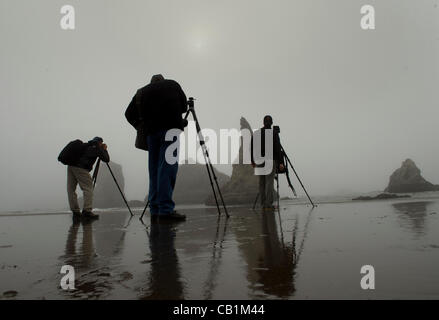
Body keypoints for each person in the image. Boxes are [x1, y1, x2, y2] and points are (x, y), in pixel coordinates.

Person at [125, 74, 188, 221]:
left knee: (154, 170)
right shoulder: (172, 84)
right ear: (163, 80)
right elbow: (184, 106)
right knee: (167, 168)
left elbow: (128, 113)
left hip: (151, 134)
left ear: (151, 82)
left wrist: (139, 125)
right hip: (170, 131)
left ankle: (155, 210)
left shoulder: (142, 91)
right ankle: (165, 210)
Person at [67, 137, 110, 220]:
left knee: (71, 189)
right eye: (102, 143)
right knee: (88, 188)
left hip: (71, 166)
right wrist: (104, 149)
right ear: (100, 142)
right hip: (81, 168)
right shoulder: (97, 148)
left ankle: (75, 212)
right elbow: (106, 159)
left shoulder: (86, 146)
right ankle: (87, 211)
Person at [251, 116, 285, 210]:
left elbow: (252, 147)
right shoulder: (273, 133)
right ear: (272, 123)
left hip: (259, 160)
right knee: (269, 182)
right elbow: (278, 148)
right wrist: (281, 162)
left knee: (261, 183)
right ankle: (268, 204)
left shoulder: (257, 133)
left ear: (263, 122)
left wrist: (252, 160)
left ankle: (263, 204)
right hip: (270, 159)